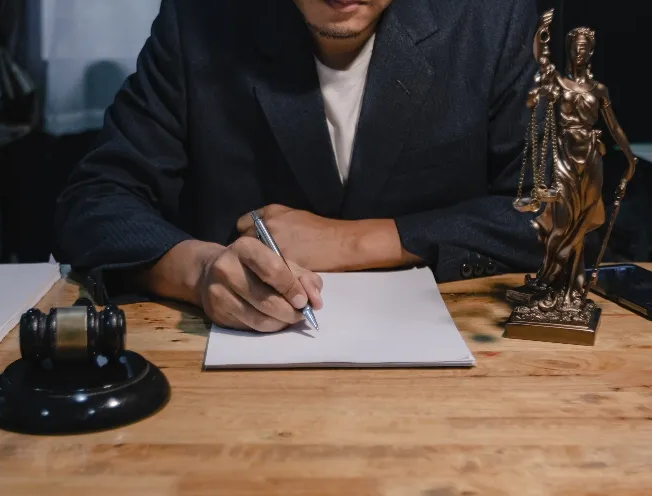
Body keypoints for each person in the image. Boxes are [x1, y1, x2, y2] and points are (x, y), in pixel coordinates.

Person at [54, 0, 544, 332]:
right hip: (234, 373)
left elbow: (559, 212)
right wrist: (198, 272)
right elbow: (96, 200)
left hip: (454, 365)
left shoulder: (491, 19)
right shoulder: (201, 19)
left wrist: (356, 240)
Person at [514, 11, 636, 311]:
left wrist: (631, 160)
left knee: (581, 223)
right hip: (565, 160)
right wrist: (541, 32)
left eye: (584, 47)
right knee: (563, 223)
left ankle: (572, 287)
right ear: (569, 50)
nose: (579, 51)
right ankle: (549, 278)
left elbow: (615, 127)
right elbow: (541, 62)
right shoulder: (559, 82)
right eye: (574, 46)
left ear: (590, 51)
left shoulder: (599, 91)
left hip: (592, 160)